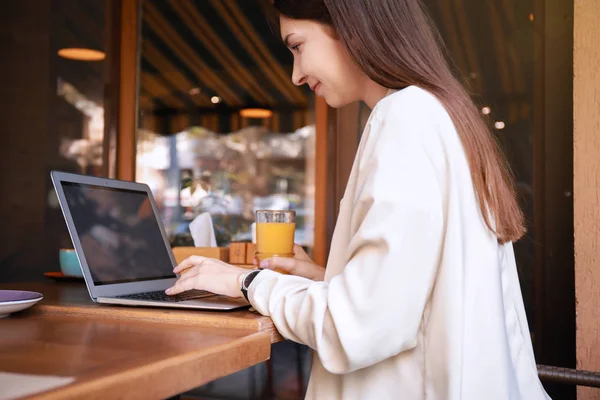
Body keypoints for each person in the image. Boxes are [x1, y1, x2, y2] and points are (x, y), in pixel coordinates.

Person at [166, 0, 550, 398]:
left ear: (349, 27)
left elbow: (358, 330)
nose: (296, 74)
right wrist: (325, 280)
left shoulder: (403, 118)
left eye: (297, 46)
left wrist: (246, 281)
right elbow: (413, 297)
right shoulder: (442, 115)